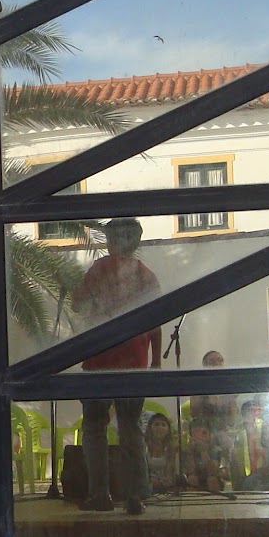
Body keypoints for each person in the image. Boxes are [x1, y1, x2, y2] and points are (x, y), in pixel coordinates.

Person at [70, 217, 161, 514]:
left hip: (99, 357)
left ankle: (100, 494)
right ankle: (136, 495)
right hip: (136, 359)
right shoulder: (147, 275)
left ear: (112, 241)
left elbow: (78, 304)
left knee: (95, 426)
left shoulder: (100, 269)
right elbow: (157, 319)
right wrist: (156, 361)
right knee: (131, 428)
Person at [143, 410, 177, 492]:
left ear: (168, 429)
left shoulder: (172, 448)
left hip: (167, 489)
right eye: (156, 424)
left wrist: (168, 480)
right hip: (147, 487)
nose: (160, 427)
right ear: (150, 428)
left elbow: (172, 471)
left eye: (163, 425)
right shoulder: (144, 447)